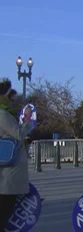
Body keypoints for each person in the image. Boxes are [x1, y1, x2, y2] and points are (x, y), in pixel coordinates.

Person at [0, 78, 32, 230]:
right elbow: (18, 133)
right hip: (7, 172)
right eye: (10, 96)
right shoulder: (2, 115)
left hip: (5, 171)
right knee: (5, 211)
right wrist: (27, 118)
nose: (14, 100)